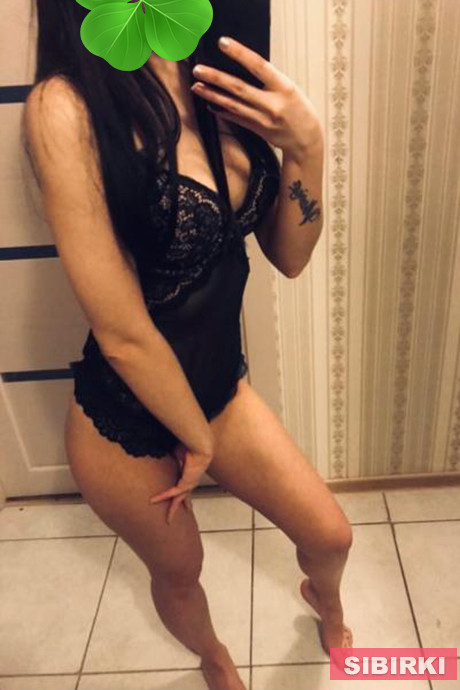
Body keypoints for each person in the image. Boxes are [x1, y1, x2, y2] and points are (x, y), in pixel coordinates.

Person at [23, 2, 353, 688]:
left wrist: (308, 146)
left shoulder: (212, 61)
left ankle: (324, 600)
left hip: (217, 389)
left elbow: (290, 256)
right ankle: (214, 657)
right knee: (181, 572)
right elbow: (121, 332)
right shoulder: (65, 105)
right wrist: (194, 441)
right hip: (124, 420)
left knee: (330, 536)